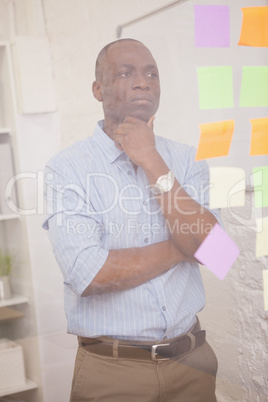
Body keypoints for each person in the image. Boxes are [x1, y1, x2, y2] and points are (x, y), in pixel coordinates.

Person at [43, 38, 221, 402]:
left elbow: (216, 252)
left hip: (193, 364)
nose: (143, 82)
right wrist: (185, 246)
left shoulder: (188, 159)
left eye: (151, 73)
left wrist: (152, 160)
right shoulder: (67, 169)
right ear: (98, 89)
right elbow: (89, 274)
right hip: (114, 373)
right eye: (126, 73)